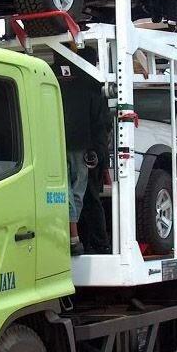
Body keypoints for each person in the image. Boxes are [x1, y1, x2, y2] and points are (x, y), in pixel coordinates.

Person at [53, 48, 112, 256]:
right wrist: (104, 164)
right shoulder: (93, 87)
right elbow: (101, 125)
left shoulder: (54, 82)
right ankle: (91, 242)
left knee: (63, 194)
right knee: (86, 197)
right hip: (86, 151)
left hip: (55, 147)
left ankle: (74, 238)